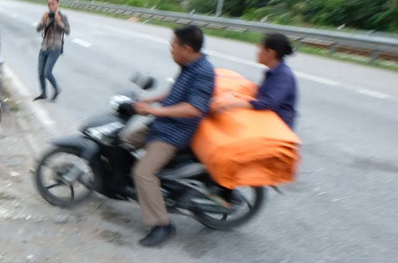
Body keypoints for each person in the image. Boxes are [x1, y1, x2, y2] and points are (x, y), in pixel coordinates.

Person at [125, 25, 215, 248]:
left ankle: (162, 225)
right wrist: (151, 100)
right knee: (122, 142)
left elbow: (194, 108)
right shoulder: (187, 65)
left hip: (174, 133)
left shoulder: (203, 71)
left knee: (143, 173)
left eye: (173, 46)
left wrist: (155, 111)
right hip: (161, 124)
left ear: (187, 48)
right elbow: (175, 94)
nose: (171, 50)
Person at [215, 32, 299, 128]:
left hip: (278, 126)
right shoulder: (274, 72)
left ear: (270, 53)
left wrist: (236, 104)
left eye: (260, 48)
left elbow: (268, 103)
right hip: (268, 120)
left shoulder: (283, 75)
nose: (257, 52)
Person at [34, 0, 69, 101]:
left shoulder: (63, 17)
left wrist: (59, 22)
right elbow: (38, 29)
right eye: (49, 4)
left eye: (52, 4)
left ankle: (57, 89)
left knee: (47, 72)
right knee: (40, 72)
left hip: (55, 48)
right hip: (44, 47)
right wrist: (43, 21)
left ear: (58, 3)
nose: (50, 6)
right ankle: (43, 93)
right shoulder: (46, 15)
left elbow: (67, 31)